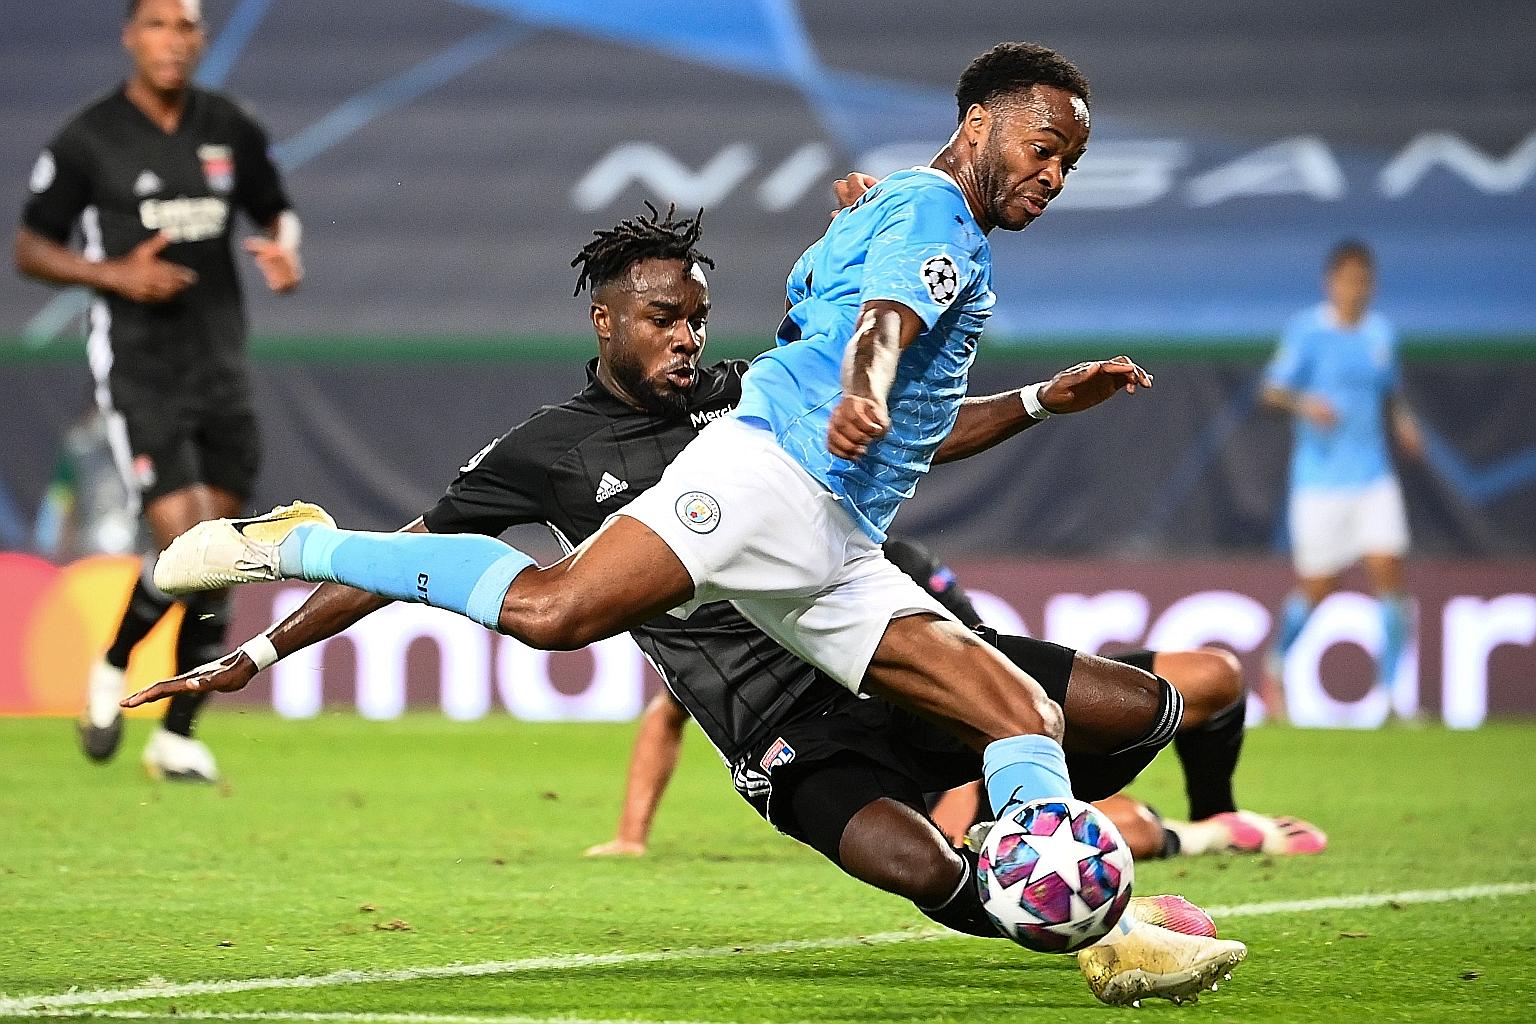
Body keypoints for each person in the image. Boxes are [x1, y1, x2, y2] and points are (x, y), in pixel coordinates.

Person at [128, 205, 1244, 1005]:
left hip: (869, 636)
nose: (688, 338)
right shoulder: (547, 451)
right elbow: (412, 554)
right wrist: (263, 650)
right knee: (934, 876)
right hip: (774, 718)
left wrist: (1043, 400)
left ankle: (1098, 882)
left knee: (1137, 712)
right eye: (665, 317)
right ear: (608, 323)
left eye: (698, 318)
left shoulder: (748, 399)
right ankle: (1106, 939)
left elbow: (913, 432)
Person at [154, 40, 1131, 829]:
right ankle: (292, 541)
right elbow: (887, 319)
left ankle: (1088, 911)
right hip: (773, 482)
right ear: (978, 123)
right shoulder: (941, 219)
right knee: (554, 615)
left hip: (838, 535)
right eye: (1042, 148)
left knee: (1022, 716)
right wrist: (866, 379)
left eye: (1069, 163)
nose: (1053, 175)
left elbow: (893, 359)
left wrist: (1032, 395)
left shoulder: (910, 210)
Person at [588, 540, 1323, 862]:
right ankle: (1210, 837)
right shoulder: (758, 588)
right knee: (1100, 837)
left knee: (1218, 674)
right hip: (909, 771)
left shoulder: (895, 563)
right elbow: (669, 712)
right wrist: (631, 834)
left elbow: (972, 679)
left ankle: (1215, 808)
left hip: (996, 726)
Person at [13, 0, 303, 780]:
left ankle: (178, 730)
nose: (172, 42)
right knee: (187, 542)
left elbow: (275, 209)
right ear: (130, 37)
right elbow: (31, 247)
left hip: (220, 362)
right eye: (157, 26)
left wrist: (284, 248)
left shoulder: (228, 126)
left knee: (227, 549)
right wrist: (114, 274)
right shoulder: (90, 137)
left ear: (201, 40)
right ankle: (113, 665)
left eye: (185, 27)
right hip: (141, 365)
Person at [1259, 241, 1424, 723]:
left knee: (1390, 578)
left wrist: (1404, 422)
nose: (1356, 289)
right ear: (1332, 282)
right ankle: (1276, 667)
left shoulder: (1379, 333)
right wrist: (1305, 403)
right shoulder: (1308, 331)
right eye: (1348, 279)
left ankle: (1393, 698)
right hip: (1320, 482)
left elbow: (1389, 393)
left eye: (1363, 280)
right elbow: (1272, 391)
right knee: (1317, 587)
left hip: (1374, 478)